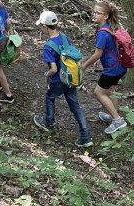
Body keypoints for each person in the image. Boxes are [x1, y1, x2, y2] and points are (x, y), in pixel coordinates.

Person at [32, 10, 92, 147]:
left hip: (58, 80)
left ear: (45, 26)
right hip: (70, 78)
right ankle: (85, 136)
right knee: (75, 106)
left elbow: (53, 69)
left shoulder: (48, 46)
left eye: (41, 26)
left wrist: (47, 75)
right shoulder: (65, 37)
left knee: (50, 97)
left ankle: (49, 123)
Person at [81, 2, 128, 134]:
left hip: (112, 70)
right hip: (120, 66)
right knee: (111, 91)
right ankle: (114, 117)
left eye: (97, 13)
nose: (94, 14)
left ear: (106, 16)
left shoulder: (103, 32)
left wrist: (84, 66)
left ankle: (118, 120)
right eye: (94, 12)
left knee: (99, 92)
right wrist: (100, 59)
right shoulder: (110, 27)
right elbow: (108, 48)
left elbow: (97, 53)